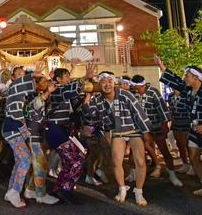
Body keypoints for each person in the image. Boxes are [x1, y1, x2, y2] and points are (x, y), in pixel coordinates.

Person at [82, 71, 151, 206]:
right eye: (103, 82)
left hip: (134, 129)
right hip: (117, 132)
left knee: (141, 162)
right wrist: (88, 97)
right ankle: (122, 188)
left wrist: (146, 132)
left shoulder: (126, 95)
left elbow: (139, 113)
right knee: (116, 162)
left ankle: (139, 191)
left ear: (114, 83)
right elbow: (89, 116)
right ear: (99, 84)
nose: (107, 84)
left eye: (109, 81)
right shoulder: (98, 99)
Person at [45, 65, 94, 204]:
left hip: (61, 130)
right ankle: (65, 189)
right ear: (58, 79)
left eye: (68, 75)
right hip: (55, 130)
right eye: (65, 76)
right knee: (77, 160)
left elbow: (75, 102)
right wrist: (85, 77)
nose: (68, 78)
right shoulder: (56, 90)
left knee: (69, 162)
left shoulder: (63, 92)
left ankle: (57, 188)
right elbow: (69, 90)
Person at [155, 55, 202, 196]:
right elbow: (175, 81)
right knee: (193, 155)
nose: (185, 78)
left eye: (187, 75)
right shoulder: (188, 90)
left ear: (196, 78)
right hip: (194, 128)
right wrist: (161, 67)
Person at [2, 63, 45, 208]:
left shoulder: (21, 94)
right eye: (19, 75)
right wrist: (31, 75)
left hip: (16, 129)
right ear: (13, 78)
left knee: (20, 160)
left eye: (23, 74)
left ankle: (11, 191)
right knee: (26, 159)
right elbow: (21, 83)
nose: (22, 77)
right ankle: (14, 192)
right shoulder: (14, 87)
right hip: (12, 128)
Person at [131, 74, 182, 187]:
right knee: (143, 149)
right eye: (135, 87)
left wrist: (165, 124)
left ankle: (172, 174)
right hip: (143, 128)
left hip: (157, 126)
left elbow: (162, 108)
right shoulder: (134, 93)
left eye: (138, 87)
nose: (136, 89)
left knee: (164, 150)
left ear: (143, 85)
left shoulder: (153, 92)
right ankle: (148, 170)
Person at [23, 76, 59, 205]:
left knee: (36, 165)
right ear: (36, 84)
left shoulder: (35, 94)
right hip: (32, 135)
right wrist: (48, 92)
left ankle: (30, 189)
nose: (47, 83)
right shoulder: (31, 95)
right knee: (41, 166)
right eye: (43, 82)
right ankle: (40, 194)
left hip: (36, 134)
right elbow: (36, 104)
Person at [167, 89, 192, 174]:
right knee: (179, 144)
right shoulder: (170, 96)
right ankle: (185, 164)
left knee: (188, 145)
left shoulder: (186, 95)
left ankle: (192, 165)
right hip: (175, 123)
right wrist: (171, 122)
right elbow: (170, 109)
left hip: (186, 122)